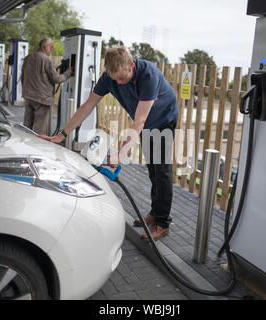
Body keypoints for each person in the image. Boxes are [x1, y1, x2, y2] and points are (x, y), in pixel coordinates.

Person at [39, 46, 178, 241]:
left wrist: (121, 155)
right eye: (115, 80)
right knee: (153, 169)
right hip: (146, 123)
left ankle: (163, 223)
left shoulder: (149, 75)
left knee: (161, 169)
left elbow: (139, 120)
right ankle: (156, 212)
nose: (119, 82)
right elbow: (87, 106)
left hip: (163, 119)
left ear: (131, 65)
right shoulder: (109, 78)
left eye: (123, 78)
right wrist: (62, 135)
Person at [21, 38, 72, 135]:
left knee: (27, 125)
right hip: (42, 99)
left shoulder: (28, 57)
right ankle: (38, 148)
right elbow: (56, 79)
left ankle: (25, 146)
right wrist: (68, 73)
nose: (52, 49)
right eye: (51, 47)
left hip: (28, 96)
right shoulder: (47, 60)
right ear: (45, 47)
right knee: (40, 128)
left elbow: (23, 76)